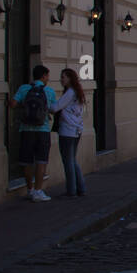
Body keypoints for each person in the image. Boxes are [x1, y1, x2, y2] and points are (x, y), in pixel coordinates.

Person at [11, 64, 57, 201]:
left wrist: (24, 106)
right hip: (42, 130)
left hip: (26, 129)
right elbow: (53, 109)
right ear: (43, 76)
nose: (48, 79)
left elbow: (12, 104)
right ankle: (38, 191)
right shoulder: (49, 91)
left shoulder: (24, 88)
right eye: (47, 76)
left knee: (27, 161)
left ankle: (30, 189)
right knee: (41, 161)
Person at [56, 67, 87, 197]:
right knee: (72, 160)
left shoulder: (69, 93)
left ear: (69, 78)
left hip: (67, 130)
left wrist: (47, 104)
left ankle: (71, 190)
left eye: (63, 77)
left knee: (68, 161)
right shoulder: (77, 92)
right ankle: (80, 188)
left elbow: (55, 107)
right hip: (76, 130)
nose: (61, 79)